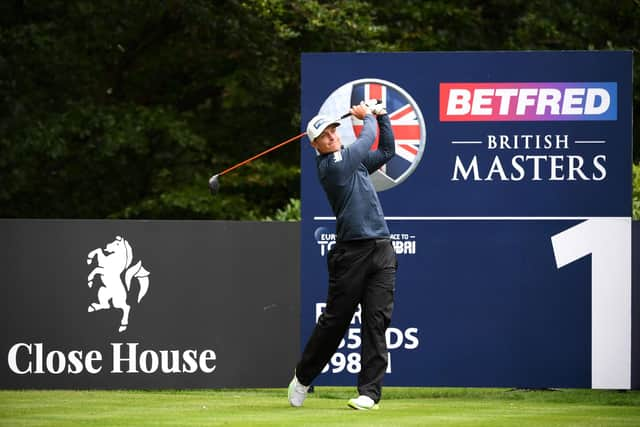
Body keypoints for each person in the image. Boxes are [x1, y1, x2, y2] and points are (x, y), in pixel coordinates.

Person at [288, 100, 398, 411]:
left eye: (333, 130)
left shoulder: (354, 163)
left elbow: (387, 151)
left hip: (382, 248)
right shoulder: (333, 166)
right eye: (324, 134)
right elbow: (365, 142)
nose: (332, 136)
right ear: (315, 144)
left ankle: (369, 394)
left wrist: (383, 116)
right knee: (336, 322)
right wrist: (367, 118)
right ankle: (303, 377)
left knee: (376, 322)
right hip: (351, 252)